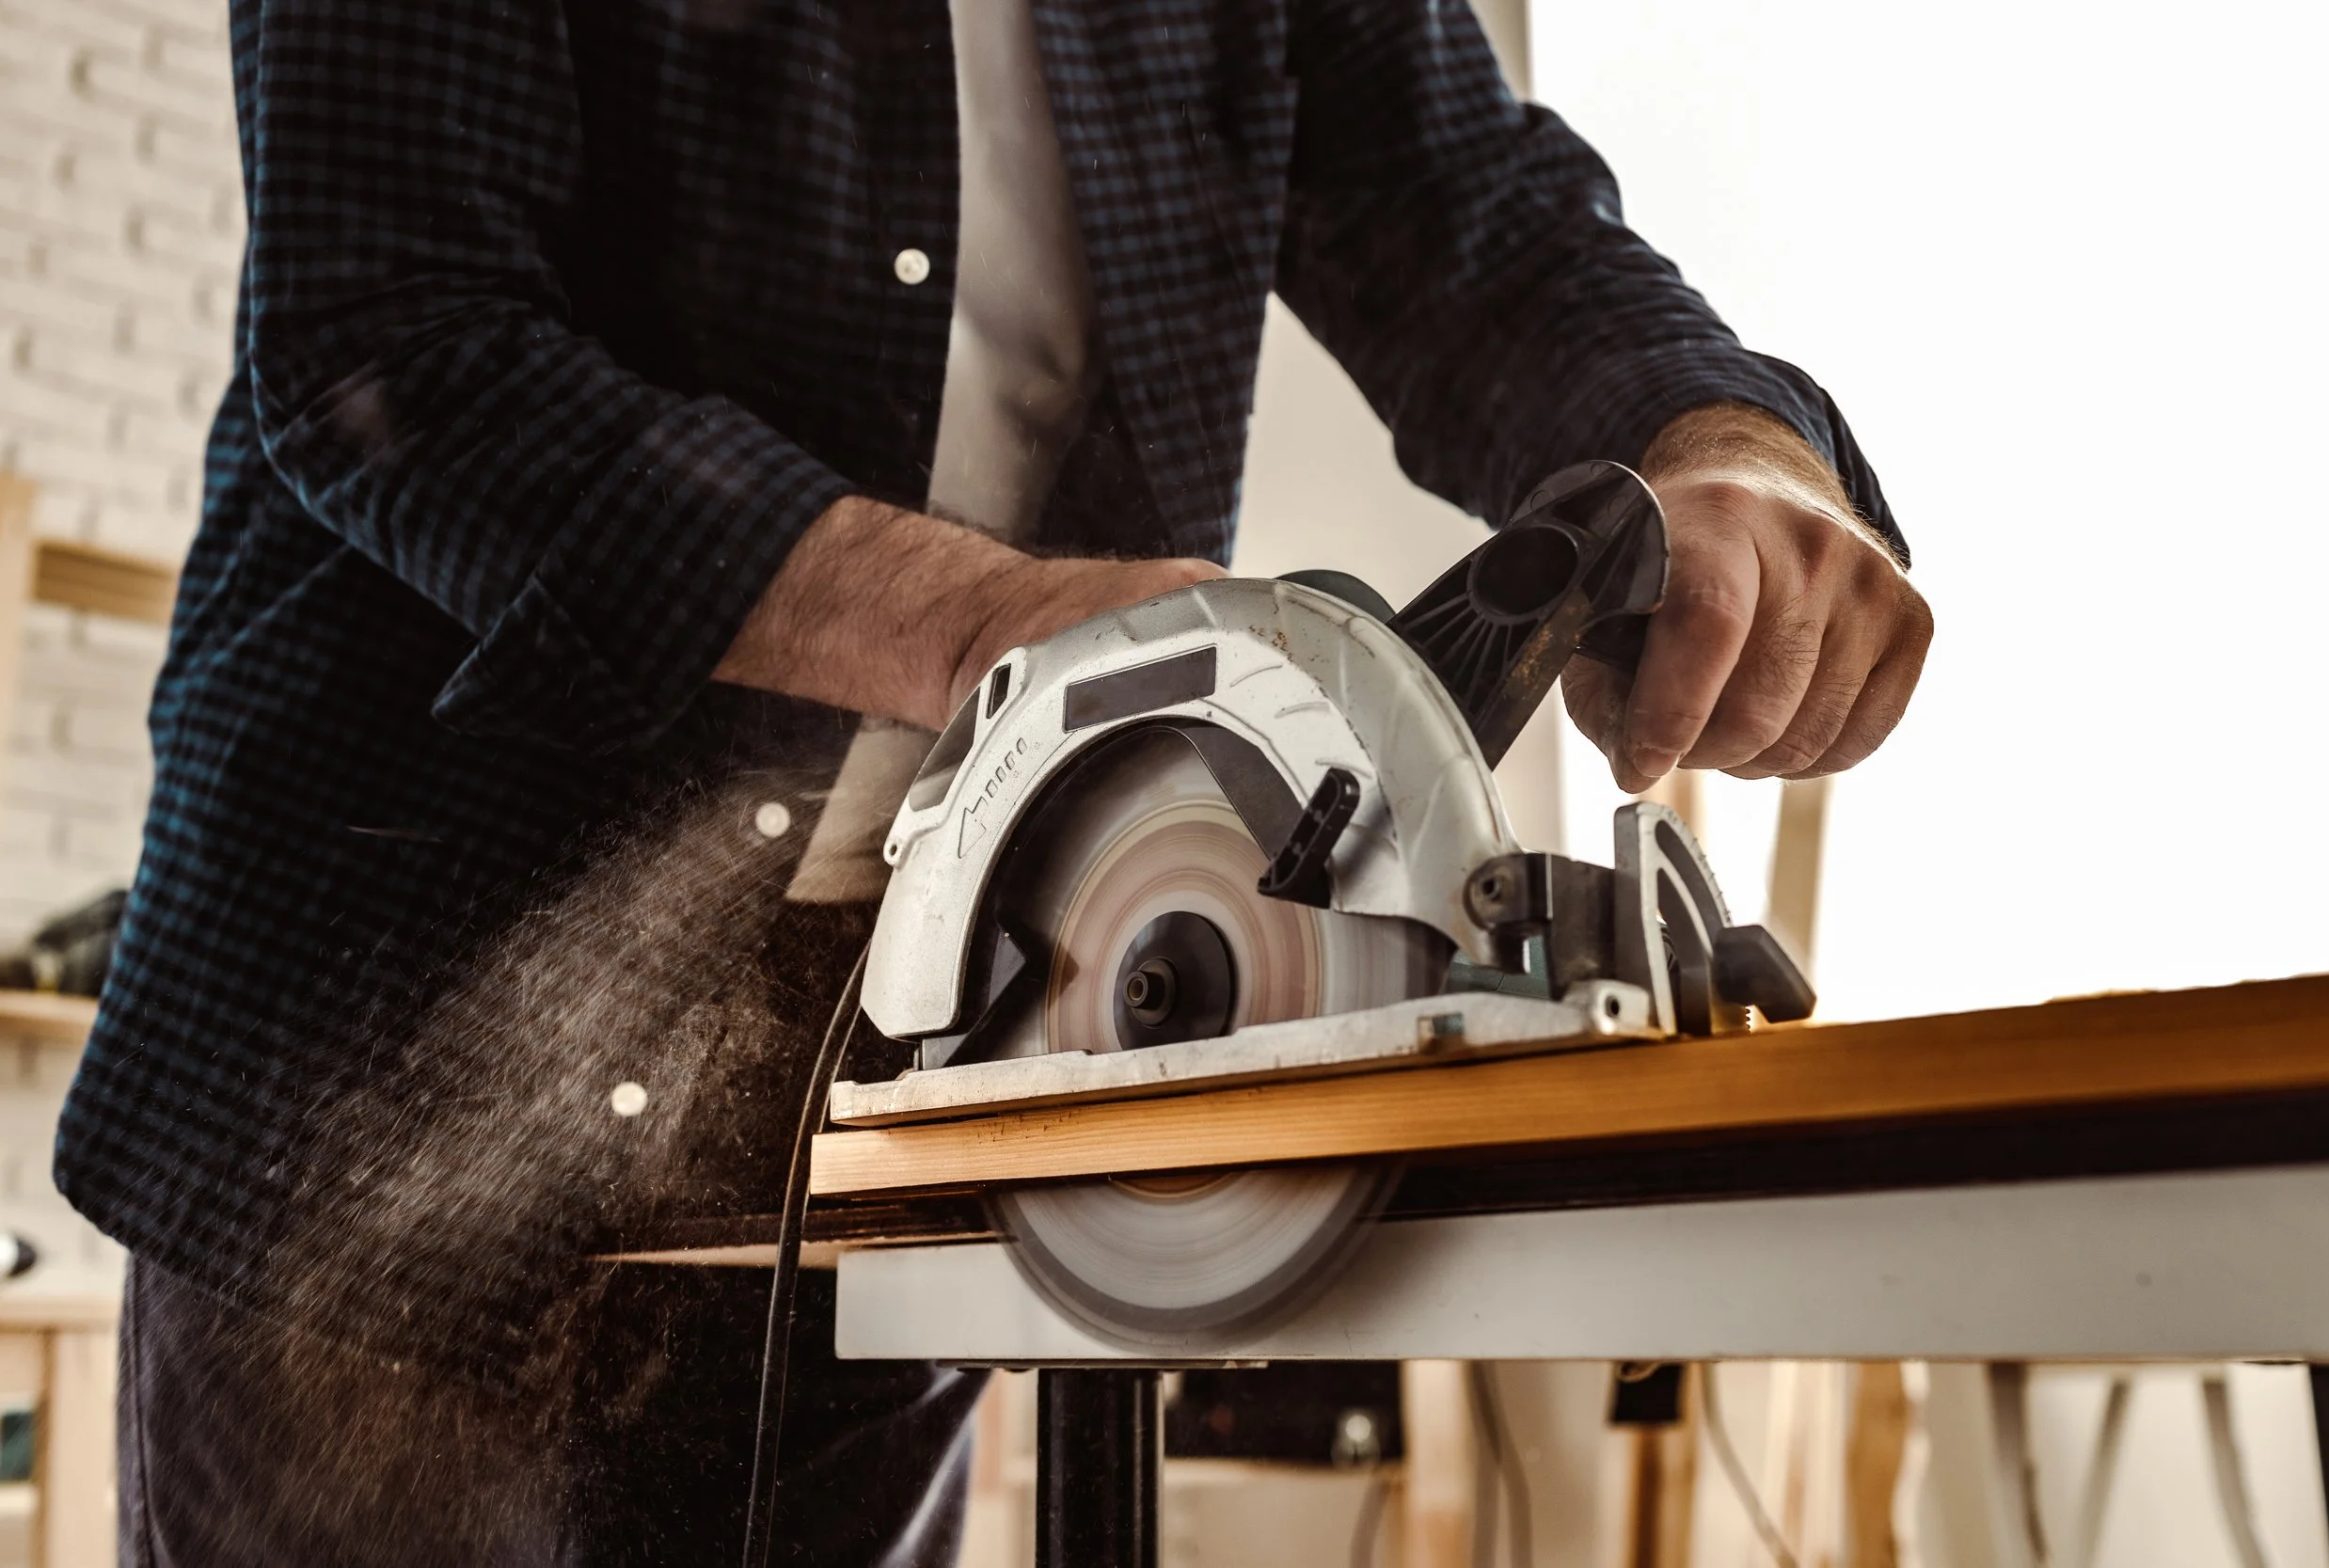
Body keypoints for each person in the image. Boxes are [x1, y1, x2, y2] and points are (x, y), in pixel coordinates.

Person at [56, 0, 1932, 1561]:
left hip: (904, 1065)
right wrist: (986, 623)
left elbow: (1463, 208)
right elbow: (395, 346)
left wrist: (1718, 441)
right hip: (401, 1031)